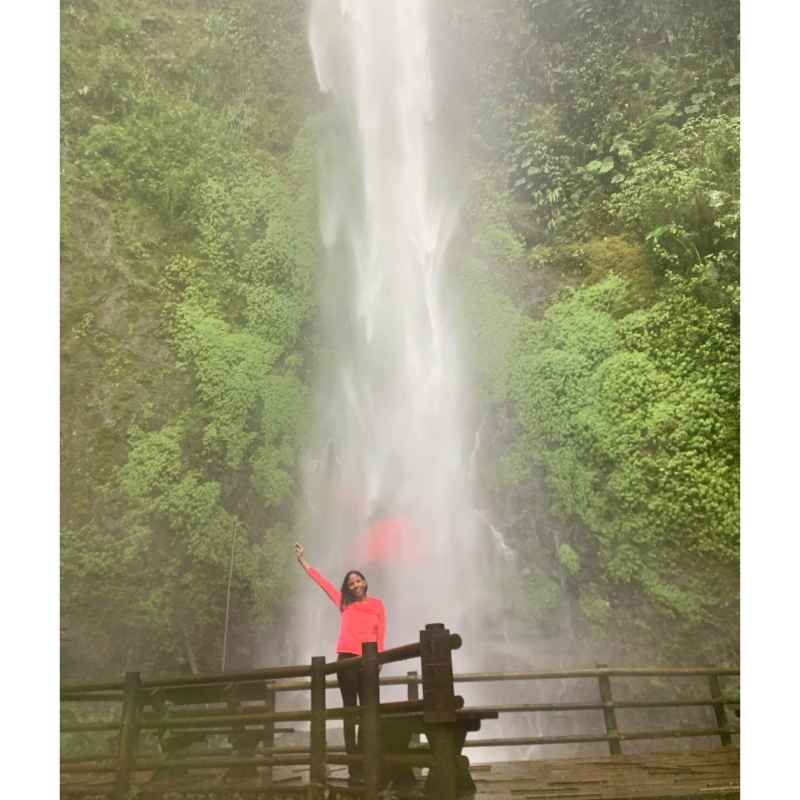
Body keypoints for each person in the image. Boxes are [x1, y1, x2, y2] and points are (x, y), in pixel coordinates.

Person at [294, 542, 386, 783]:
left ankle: (368, 762)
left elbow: (381, 633)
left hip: (369, 660)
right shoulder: (344, 603)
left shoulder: (377, 605)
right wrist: (303, 561)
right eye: (351, 583)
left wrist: (380, 658)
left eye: (358, 581)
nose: (355, 584)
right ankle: (354, 767)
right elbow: (322, 582)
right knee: (350, 712)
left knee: (369, 713)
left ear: (365, 583)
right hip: (346, 659)